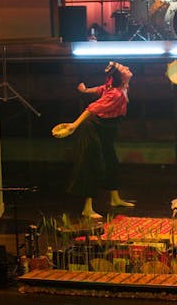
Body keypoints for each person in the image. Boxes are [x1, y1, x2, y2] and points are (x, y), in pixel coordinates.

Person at [56, 61, 134, 219]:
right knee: (91, 163)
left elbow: (101, 88)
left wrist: (85, 90)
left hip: (107, 128)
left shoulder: (119, 86)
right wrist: (74, 126)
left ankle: (115, 199)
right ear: (119, 76)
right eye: (123, 68)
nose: (127, 68)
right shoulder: (116, 94)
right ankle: (87, 208)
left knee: (111, 161)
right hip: (94, 127)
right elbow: (92, 109)